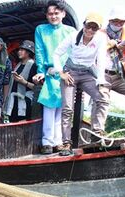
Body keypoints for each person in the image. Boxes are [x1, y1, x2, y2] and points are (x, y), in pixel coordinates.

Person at [53, 12, 108, 156]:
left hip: (87, 73)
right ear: (84, 25)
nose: (90, 30)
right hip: (70, 72)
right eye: (88, 26)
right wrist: (61, 73)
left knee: (102, 98)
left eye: (94, 28)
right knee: (67, 108)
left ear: (98, 30)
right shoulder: (73, 36)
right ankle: (66, 143)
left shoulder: (101, 39)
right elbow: (56, 54)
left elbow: (101, 60)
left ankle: (97, 132)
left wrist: (100, 81)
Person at [33, 1, 76, 154]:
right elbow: (39, 51)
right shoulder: (41, 30)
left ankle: (58, 141)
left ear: (63, 14)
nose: (53, 16)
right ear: (46, 15)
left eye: (56, 13)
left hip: (67, 73)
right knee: (49, 106)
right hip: (50, 71)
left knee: (63, 108)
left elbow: (74, 52)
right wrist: (41, 71)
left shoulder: (71, 31)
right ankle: (46, 142)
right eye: (50, 13)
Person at [94, 7, 125, 130]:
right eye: (116, 21)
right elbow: (91, 51)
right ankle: (97, 133)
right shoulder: (100, 33)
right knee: (102, 100)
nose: (118, 24)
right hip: (102, 74)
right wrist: (111, 45)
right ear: (110, 20)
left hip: (118, 75)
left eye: (121, 22)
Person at [3, 40, 38, 123]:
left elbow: (37, 88)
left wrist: (24, 82)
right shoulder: (18, 65)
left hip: (25, 102)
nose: (19, 52)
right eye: (19, 50)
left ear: (29, 52)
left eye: (22, 50)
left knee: (22, 126)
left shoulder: (33, 65)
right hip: (13, 102)